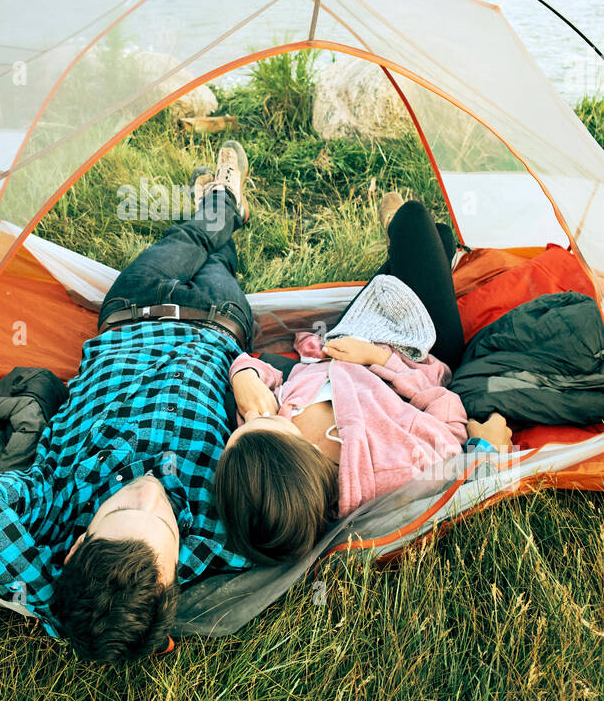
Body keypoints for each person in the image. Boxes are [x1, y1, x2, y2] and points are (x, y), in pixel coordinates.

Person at [0, 142, 256, 665]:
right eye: (165, 524)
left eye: (122, 508)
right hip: (217, 321)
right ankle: (223, 207)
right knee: (218, 261)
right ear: (176, 576)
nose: (149, 491)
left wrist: (54, 600)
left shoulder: (54, 505)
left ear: (77, 546)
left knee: (187, 239)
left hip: (133, 307)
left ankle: (217, 206)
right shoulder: (223, 534)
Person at [213, 196, 512, 565]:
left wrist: (244, 375)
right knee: (414, 221)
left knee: (435, 241)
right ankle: (403, 232)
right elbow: (447, 414)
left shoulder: (263, 448)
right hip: (419, 350)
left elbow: (263, 382)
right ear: (298, 456)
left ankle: (430, 252)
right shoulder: (396, 467)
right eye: (259, 424)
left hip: (352, 334)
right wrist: (380, 359)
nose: (251, 417)